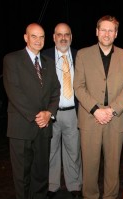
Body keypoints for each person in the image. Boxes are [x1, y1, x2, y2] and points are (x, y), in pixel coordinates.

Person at [73, 15, 123, 199]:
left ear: (116, 34)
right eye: (103, 30)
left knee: (113, 165)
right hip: (90, 118)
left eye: (111, 30)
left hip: (116, 118)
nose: (106, 34)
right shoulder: (83, 54)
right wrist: (96, 110)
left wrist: (112, 109)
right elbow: (78, 86)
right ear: (97, 32)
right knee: (90, 165)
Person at [3, 23, 60, 199]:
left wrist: (48, 114)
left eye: (41, 36)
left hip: (44, 129)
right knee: (22, 177)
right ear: (26, 38)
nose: (38, 40)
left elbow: (55, 92)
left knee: (41, 175)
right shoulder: (12, 59)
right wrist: (38, 116)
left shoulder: (49, 63)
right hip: (22, 127)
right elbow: (14, 92)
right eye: (33, 36)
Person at [42, 23, 82, 199]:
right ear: (54, 37)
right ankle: (52, 185)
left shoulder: (80, 56)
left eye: (67, 34)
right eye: (59, 34)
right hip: (51, 113)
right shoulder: (44, 57)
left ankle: (74, 185)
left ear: (71, 37)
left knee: (74, 151)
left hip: (73, 112)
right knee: (51, 151)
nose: (63, 38)